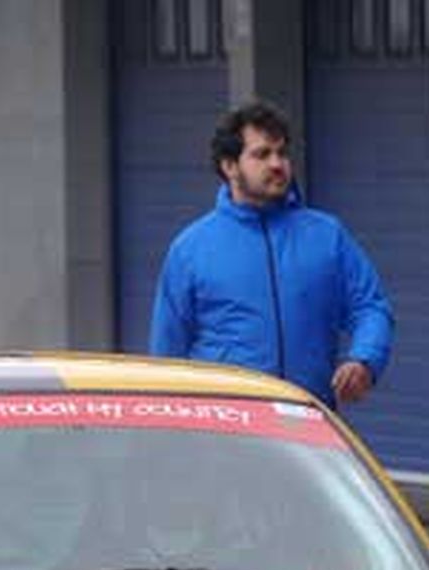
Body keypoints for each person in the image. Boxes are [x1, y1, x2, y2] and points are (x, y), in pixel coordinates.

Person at [150, 99, 393, 409]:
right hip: (229, 434)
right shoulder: (191, 249)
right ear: (229, 166)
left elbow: (370, 307)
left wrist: (365, 360)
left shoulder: (326, 236)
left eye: (281, 153)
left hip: (308, 426)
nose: (277, 164)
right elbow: (167, 359)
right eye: (261, 154)